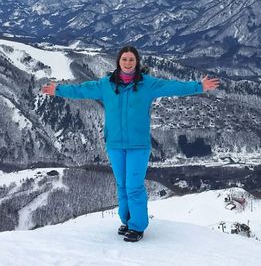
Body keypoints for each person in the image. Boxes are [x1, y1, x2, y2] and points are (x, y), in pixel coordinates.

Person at [41, 46, 220, 242]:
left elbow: (173, 86)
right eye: (124, 59)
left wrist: (199, 86)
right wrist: (57, 90)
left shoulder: (148, 84)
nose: (128, 63)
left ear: (137, 63)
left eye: (131, 60)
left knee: (134, 185)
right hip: (115, 144)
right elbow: (81, 90)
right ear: (118, 61)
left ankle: (137, 226)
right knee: (122, 185)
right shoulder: (106, 84)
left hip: (138, 146)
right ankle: (126, 221)